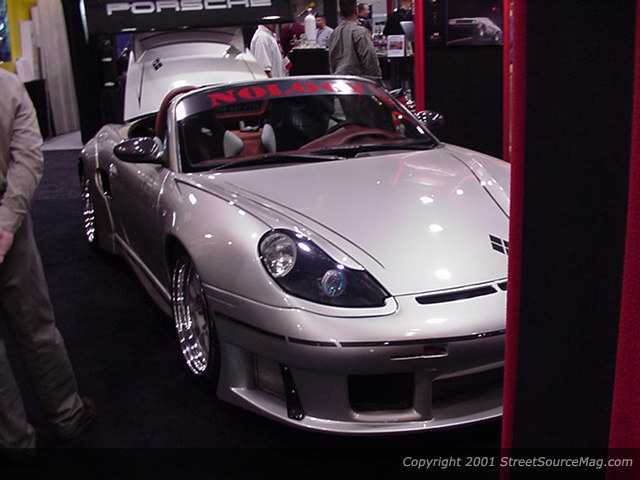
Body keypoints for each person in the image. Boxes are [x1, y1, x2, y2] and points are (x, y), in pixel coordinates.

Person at [0, 69, 95, 449]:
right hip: (10, 223)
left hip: (8, 224)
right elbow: (27, 158)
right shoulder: (7, 86)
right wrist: (6, 224)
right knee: (37, 327)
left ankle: (15, 441)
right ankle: (67, 414)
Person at [328, 0, 382, 81]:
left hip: (338, 80)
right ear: (356, 10)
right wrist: (376, 79)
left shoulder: (334, 33)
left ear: (340, 13)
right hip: (357, 81)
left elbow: (331, 59)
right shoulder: (360, 32)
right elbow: (369, 58)